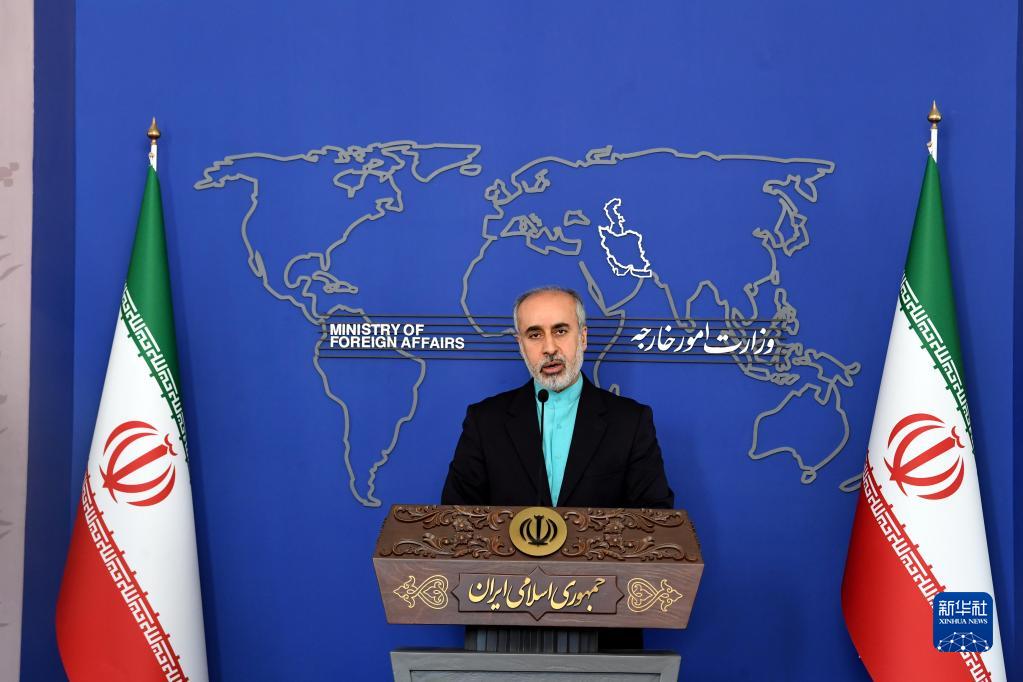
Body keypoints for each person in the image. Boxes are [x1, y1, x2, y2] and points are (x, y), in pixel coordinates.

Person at [441, 284, 674, 510]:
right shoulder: (484, 422)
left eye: (560, 331)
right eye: (535, 335)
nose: (549, 348)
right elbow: (455, 517)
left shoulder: (631, 422)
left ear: (583, 338)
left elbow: (656, 518)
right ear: (521, 345)